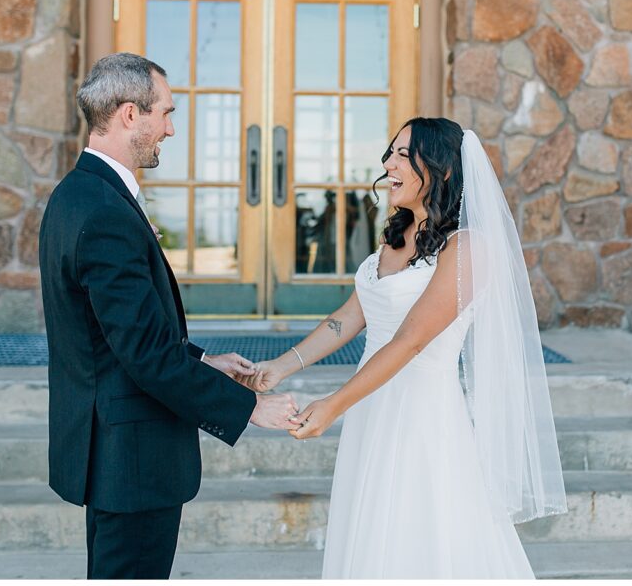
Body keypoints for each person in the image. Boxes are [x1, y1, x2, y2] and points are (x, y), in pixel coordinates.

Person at [241, 117, 568, 578]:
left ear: (443, 169)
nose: (387, 163)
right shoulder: (393, 238)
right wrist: (280, 366)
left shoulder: (468, 247)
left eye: (402, 154)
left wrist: (334, 404)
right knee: (371, 530)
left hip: (420, 415)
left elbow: (411, 340)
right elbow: (350, 316)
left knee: (419, 535)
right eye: (389, 152)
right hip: (370, 408)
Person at [39, 52, 299, 580]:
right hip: (129, 458)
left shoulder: (78, 195)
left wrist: (204, 360)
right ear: (130, 114)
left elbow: (114, 335)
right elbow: (146, 357)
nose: (171, 130)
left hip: (113, 452)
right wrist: (250, 407)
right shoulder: (106, 213)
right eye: (166, 113)